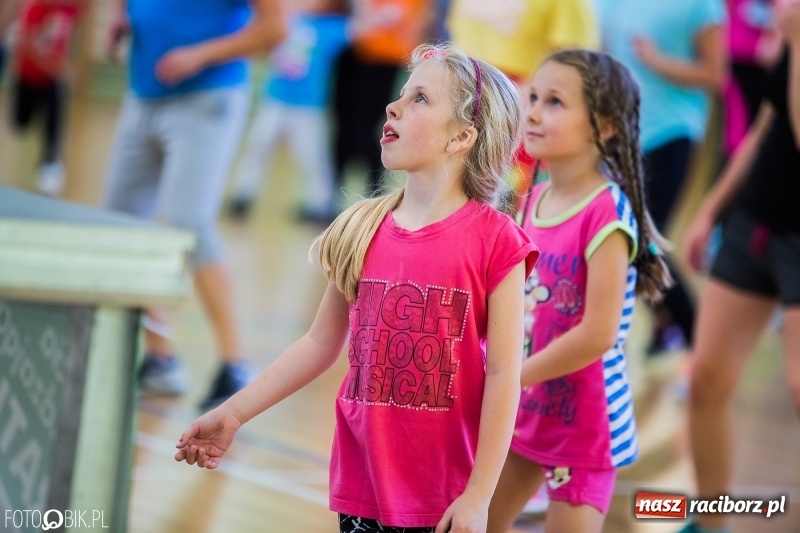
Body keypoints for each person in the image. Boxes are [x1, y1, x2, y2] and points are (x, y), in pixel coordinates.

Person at [175, 43, 539, 533]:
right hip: (362, 487)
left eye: (420, 100)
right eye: (402, 95)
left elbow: (502, 376)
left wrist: (479, 495)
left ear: (461, 137)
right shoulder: (361, 226)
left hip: (444, 496)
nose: (395, 105)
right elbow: (320, 343)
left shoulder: (497, 241)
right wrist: (234, 413)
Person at [486, 49, 672, 533]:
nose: (532, 112)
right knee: (479, 522)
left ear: (605, 127)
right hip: (527, 409)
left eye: (554, 102)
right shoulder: (536, 196)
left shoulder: (606, 213)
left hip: (586, 428)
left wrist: (511, 375)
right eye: (532, 97)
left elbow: (598, 334)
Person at [102, 0, 287, 410]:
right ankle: (160, 358)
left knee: (190, 221)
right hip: (142, 94)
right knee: (119, 227)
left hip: (207, 97)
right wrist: (121, 16)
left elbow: (274, 29)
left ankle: (234, 365)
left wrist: (200, 54)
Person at [679, 3, 800, 532]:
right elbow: (764, 129)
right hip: (755, 222)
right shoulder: (790, 44)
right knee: (706, 381)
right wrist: (712, 210)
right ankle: (711, 521)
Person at [595, 0, 726, 356]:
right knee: (622, 240)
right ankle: (667, 327)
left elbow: (716, 75)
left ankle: (699, 338)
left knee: (643, 243)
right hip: (619, 134)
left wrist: (657, 61)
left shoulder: (701, 6)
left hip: (672, 131)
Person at [227, 0, 350, 223]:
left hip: (308, 106)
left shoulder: (330, 27)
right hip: (275, 98)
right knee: (258, 146)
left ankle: (320, 204)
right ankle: (243, 195)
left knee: (312, 156)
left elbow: (362, 29)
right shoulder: (282, 19)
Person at [9, 0, 86, 196]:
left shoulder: (71, 8)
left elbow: (74, 28)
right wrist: (55, 67)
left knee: (54, 124)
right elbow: (26, 42)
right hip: (28, 76)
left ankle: (50, 164)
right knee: (20, 122)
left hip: (51, 81)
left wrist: (66, 66)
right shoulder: (36, 7)